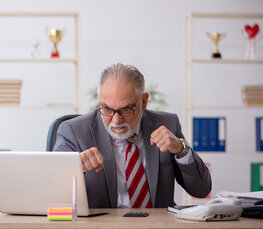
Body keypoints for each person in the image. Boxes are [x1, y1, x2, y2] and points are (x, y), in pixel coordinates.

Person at [53, 63, 211, 208]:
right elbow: (53, 194)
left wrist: (181, 149)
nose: (116, 120)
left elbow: (201, 190)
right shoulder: (73, 132)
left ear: (144, 101)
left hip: (156, 226)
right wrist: (75, 168)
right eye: (106, 109)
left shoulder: (167, 124)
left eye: (126, 110)